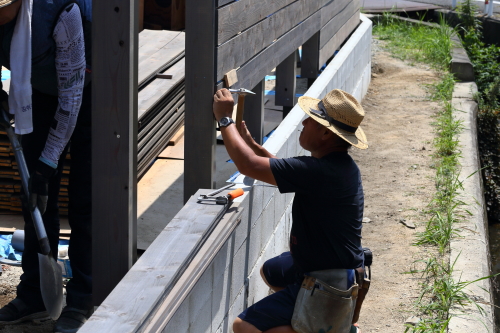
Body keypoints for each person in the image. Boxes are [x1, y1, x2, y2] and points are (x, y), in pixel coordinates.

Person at [213, 88, 368, 333]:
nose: (304, 122)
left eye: (312, 120)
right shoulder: (339, 167)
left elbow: (247, 166)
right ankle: (323, 320)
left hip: (329, 282)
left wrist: (224, 118)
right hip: (339, 269)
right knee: (272, 272)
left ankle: (328, 324)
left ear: (326, 133)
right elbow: (281, 169)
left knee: (244, 327)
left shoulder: (317, 171)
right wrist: (253, 146)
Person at [0, 0, 93, 332]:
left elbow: (71, 100)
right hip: (39, 90)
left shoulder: (61, 13)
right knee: (35, 202)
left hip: (89, 90)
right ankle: (36, 296)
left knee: (84, 200)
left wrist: (46, 165)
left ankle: (83, 297)